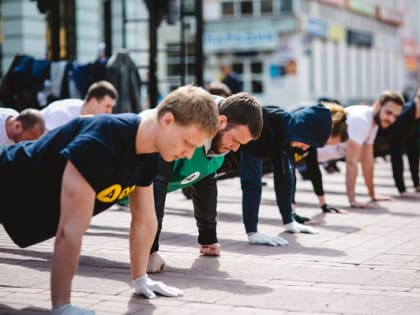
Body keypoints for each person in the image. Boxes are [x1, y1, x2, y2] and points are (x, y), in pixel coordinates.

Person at [0, 85, 219, 315]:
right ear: (167, 121)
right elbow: (70, 231)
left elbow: (144, 220)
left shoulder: (148, 157)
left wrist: (140, 279)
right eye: (188, 142)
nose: (188, 153)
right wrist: (62, 307)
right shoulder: (101, 141)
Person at [147, 92, 263, 273]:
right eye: (234, 140)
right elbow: (156, 186)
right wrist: (149, 251)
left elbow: (205, 184)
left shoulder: (217, 144)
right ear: (221, 121)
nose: (234, 148)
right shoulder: (181, 128)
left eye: (241, 144)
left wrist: (208, 238)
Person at [239, 103, 332, 246]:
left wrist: (289, 220)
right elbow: (251, 181)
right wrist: (252, 232)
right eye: (308, 141)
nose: (305, 148)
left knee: (287, 174)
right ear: (302, 130)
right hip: (214, 152)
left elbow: (285, 176)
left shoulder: (288, 133)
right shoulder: (263, 125)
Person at [317, 90, 404, 208]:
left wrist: (372, 195)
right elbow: (352, 162)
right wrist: (352, 200)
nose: (391, 119)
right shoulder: (361, 121)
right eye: (388, 112)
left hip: (315, 156)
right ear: (378, 105)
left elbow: (367, 161)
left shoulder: (373, 122)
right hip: (307, 152)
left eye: (395, 116)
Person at [292, 102, 349, 217]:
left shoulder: (311, 143)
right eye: (326, 142)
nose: (322, 145)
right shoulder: (296, 137)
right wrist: (291, 214)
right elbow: (288, 177)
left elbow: (314, 170)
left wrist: (323, 205)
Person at [41, 80, 118, 132]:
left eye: (112, 107)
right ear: (93, 102)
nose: (110, 112)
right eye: (107, 106)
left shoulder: (92, 120)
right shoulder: (63, 113)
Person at [388, 87, 420, 197]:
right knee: (397, 156)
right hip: (381, 143)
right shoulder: (404, 114)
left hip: (401, 138)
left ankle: (416, 184)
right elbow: (395, 154)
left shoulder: (416, 117)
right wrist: (402, 190)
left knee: (413, 154)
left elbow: (413, 153)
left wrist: (417, 184)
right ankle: (401, 189)